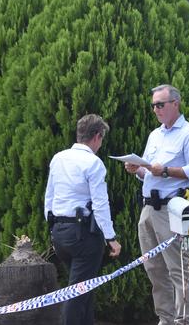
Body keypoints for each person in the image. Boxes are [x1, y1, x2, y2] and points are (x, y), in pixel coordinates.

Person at [124, 84, 189, 325]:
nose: (156, 109)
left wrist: (166, 171)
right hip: (148, 209)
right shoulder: (155, 135)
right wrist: (137, 169)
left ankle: (183, 320)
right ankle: (166, 318)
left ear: (175, 104)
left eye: (160, 104)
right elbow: (149, 171)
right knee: (154, 269)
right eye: (153, 106)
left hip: (171, 208)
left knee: (178, 269)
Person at [45, 114, 122, 325]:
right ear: (97, 136)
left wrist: (52, 228)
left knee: (85, 290)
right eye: (102, 138)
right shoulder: (94, 163)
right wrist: (111, 238)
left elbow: (49, 197)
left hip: (60, 234)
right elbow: (100, 204)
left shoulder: (58, 158)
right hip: (83, 238)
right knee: (77, 295)